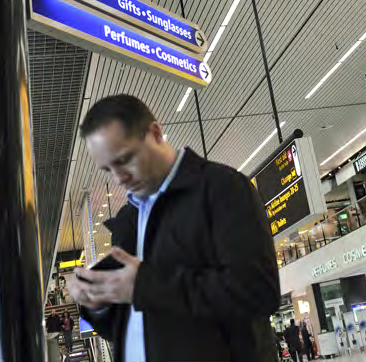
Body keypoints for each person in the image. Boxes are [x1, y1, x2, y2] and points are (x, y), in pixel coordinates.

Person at [68, 94, 280, 361]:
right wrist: (98, 303)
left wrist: (145, 285)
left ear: (155, 133)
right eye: (107, 169)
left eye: (124, 159)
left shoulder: (222, 188)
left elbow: (258, 291)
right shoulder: (129, 220)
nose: (119, 178)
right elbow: (142, 324)